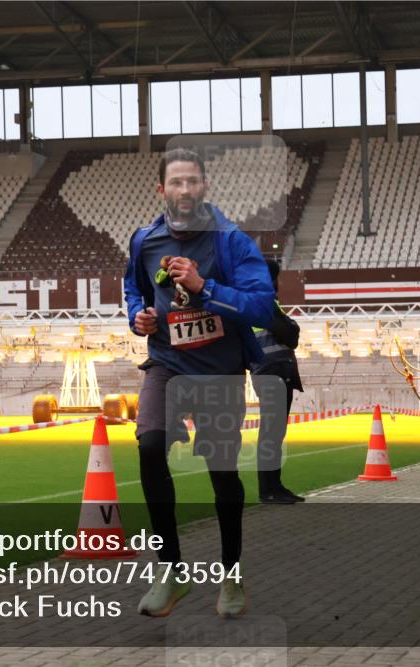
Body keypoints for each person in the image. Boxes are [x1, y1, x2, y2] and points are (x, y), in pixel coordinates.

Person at [124, 147, 274, 618]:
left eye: (192, 181)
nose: (184, 190)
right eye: (176, 182)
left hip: (219, 369)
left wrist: (206, 287)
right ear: (162, 189)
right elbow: (134, 289)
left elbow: (261, 306)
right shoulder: (144, 241)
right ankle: (170, 571)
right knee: (149, 448)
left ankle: (231, 578)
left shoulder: (231, 242)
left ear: (204, 187)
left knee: (222, 473)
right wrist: (139, 317)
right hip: (167, 363)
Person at [250, 259, 305, 503]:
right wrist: (291, 325)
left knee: (274, 432)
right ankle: (269, 490)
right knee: (272, 433)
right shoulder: (263, 303)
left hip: (272, 371)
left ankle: (274, 486)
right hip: (271, 371)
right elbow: (290, 335)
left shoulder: (263, 303)